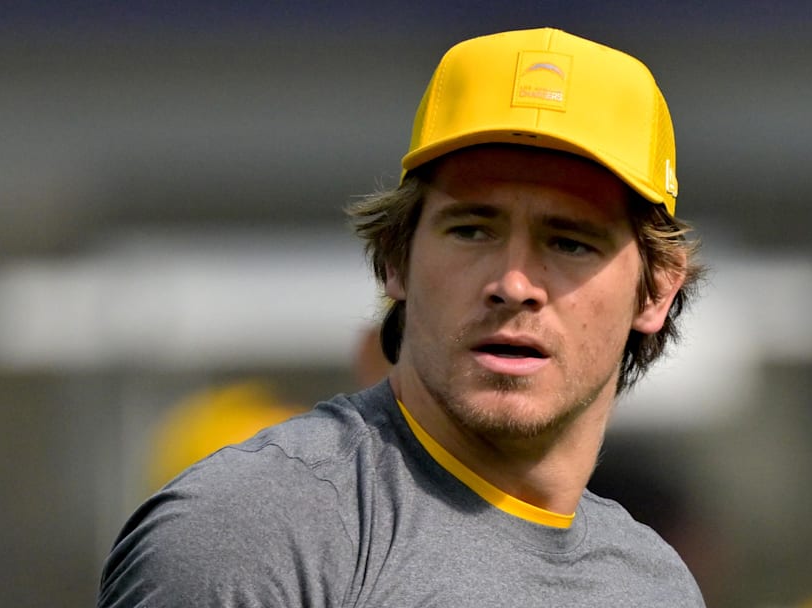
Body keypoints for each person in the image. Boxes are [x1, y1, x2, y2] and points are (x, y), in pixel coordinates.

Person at [99, 27, 705, 607]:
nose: (514, 284)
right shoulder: (257, 532)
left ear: (655, 292)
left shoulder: (655, 586)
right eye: (471, 230)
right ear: (396, 259)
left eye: (570, 242)